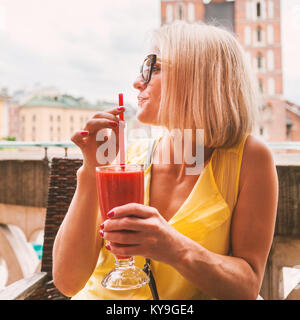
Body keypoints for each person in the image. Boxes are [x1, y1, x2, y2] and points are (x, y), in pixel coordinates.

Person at [52, 21, 278, 300]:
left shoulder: (248, 159)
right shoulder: (127, 160)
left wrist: (173, 248)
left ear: (198, 77)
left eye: (153, 68)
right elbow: (68, 281)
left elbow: (247, 287)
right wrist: (91, 171)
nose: (138, 82)